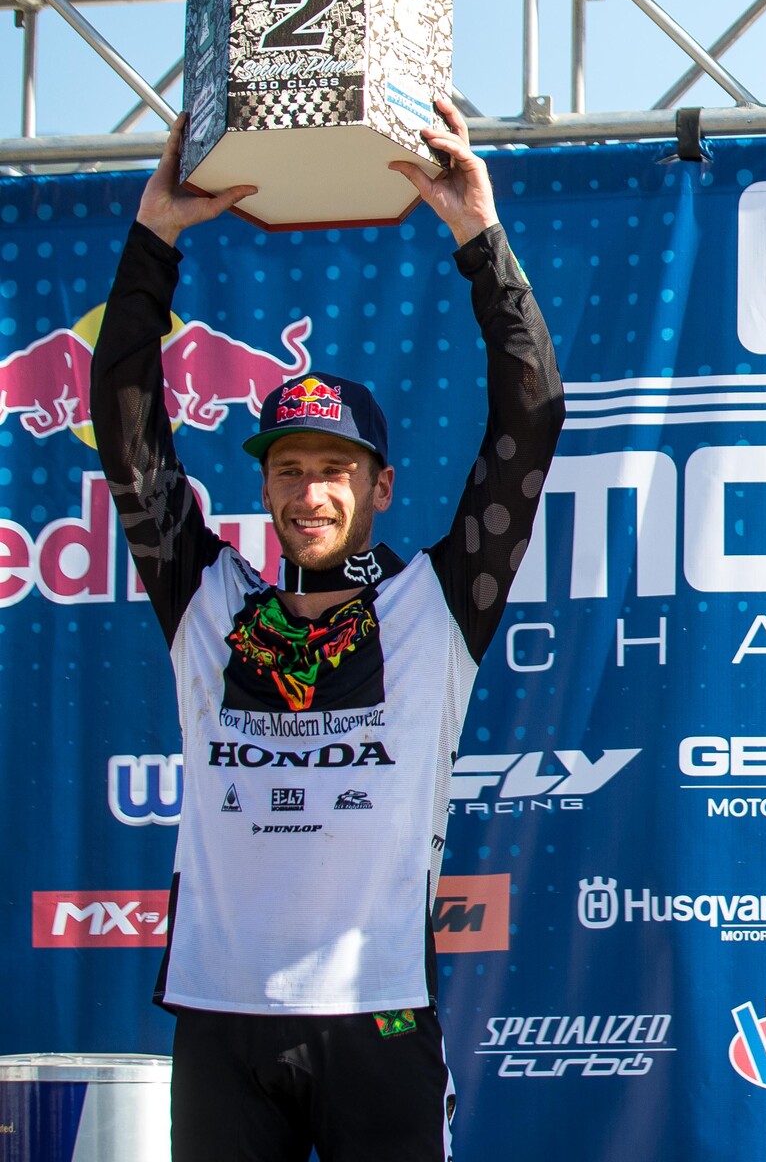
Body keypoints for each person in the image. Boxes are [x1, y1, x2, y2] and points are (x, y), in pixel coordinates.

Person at [91, 100, 564, 1162]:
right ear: (262, 484)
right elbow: (127, 426)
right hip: (221, 1020)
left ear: (381, 486)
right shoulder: (207, 601)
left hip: (381, 1018)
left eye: (334, 470)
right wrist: (154, 240)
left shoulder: (435, 605)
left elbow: (531, 413)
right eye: (288, 469)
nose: (309, 492)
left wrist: (478, 239)